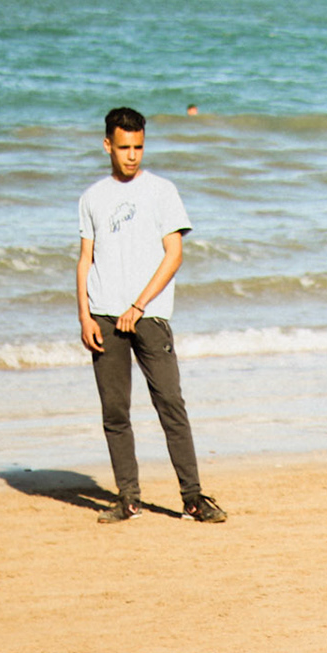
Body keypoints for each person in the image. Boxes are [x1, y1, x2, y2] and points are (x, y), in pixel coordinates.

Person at [76, 106, 227, 524]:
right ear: (108, 145)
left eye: (139, 147)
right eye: (124, 147)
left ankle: (193, 497)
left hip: (150, 314)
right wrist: (85, 316)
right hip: (104, 314)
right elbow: (85, 260)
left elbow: (174, 254)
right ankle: (129, 498)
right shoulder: (92, 198)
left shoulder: (162, 191)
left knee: (170, 404)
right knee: (115, 412)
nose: (132, 155)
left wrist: (139, 305)